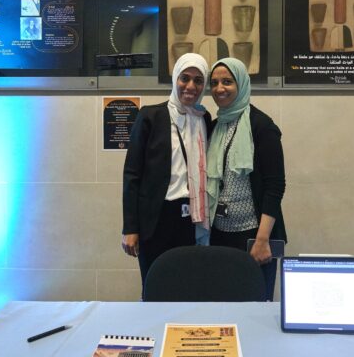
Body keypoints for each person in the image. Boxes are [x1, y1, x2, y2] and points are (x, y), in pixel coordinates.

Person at [122, 53, 211, 296]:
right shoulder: (151, 116)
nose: (191, 86)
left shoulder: (203, 119)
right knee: (154, 287)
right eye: (185, 78)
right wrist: (130, 228)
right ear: (175, 78)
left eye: (198, 80)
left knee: (185, 285)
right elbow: (132, 174)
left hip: (189, 218)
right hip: (156, 219)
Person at [207, 57, 287, 301]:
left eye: (227, 82)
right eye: (214, 83)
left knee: (255, 305)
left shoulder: (262, 126)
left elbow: (275, 186)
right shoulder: (214, 126)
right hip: (220, 234)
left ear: (241, 84)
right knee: (221, 301)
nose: (220, 88)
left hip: (254, 236)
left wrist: (262, 240)